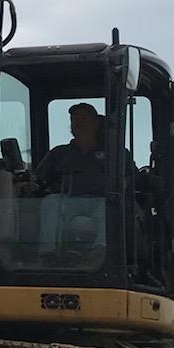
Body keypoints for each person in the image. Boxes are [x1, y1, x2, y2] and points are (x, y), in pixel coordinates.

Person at [33, 102, 134, 264]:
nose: (78, 122)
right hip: (67, 202)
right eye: (74, 119)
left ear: (96, 123)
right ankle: (48, 255)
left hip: (101, 202)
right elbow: (37, 181)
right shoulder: (59, 153)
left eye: (84, 118)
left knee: (111, 206)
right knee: (51, 201)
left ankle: (102, 254)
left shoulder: (117, 153)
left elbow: (133, 180)